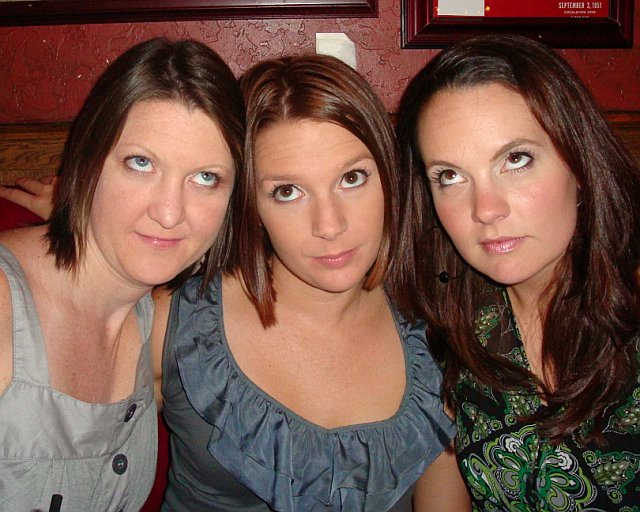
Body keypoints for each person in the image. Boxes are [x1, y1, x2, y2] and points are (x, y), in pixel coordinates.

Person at [152, 54, 469, 511]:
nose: (329, 225)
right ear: (250, 204)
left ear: (390, 177)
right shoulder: (174, 325)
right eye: (287, 191)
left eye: (352, 178)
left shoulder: (436, 331)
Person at [396, 34, 640, 509]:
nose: (485, 209)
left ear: (579, 163)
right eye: (450, 176)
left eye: (516, 159)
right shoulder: (447, 327)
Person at [0, 37, 244, 511]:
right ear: (88, 161)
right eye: (141, 163)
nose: (170, 213)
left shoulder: (161, 320)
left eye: (206, 178)